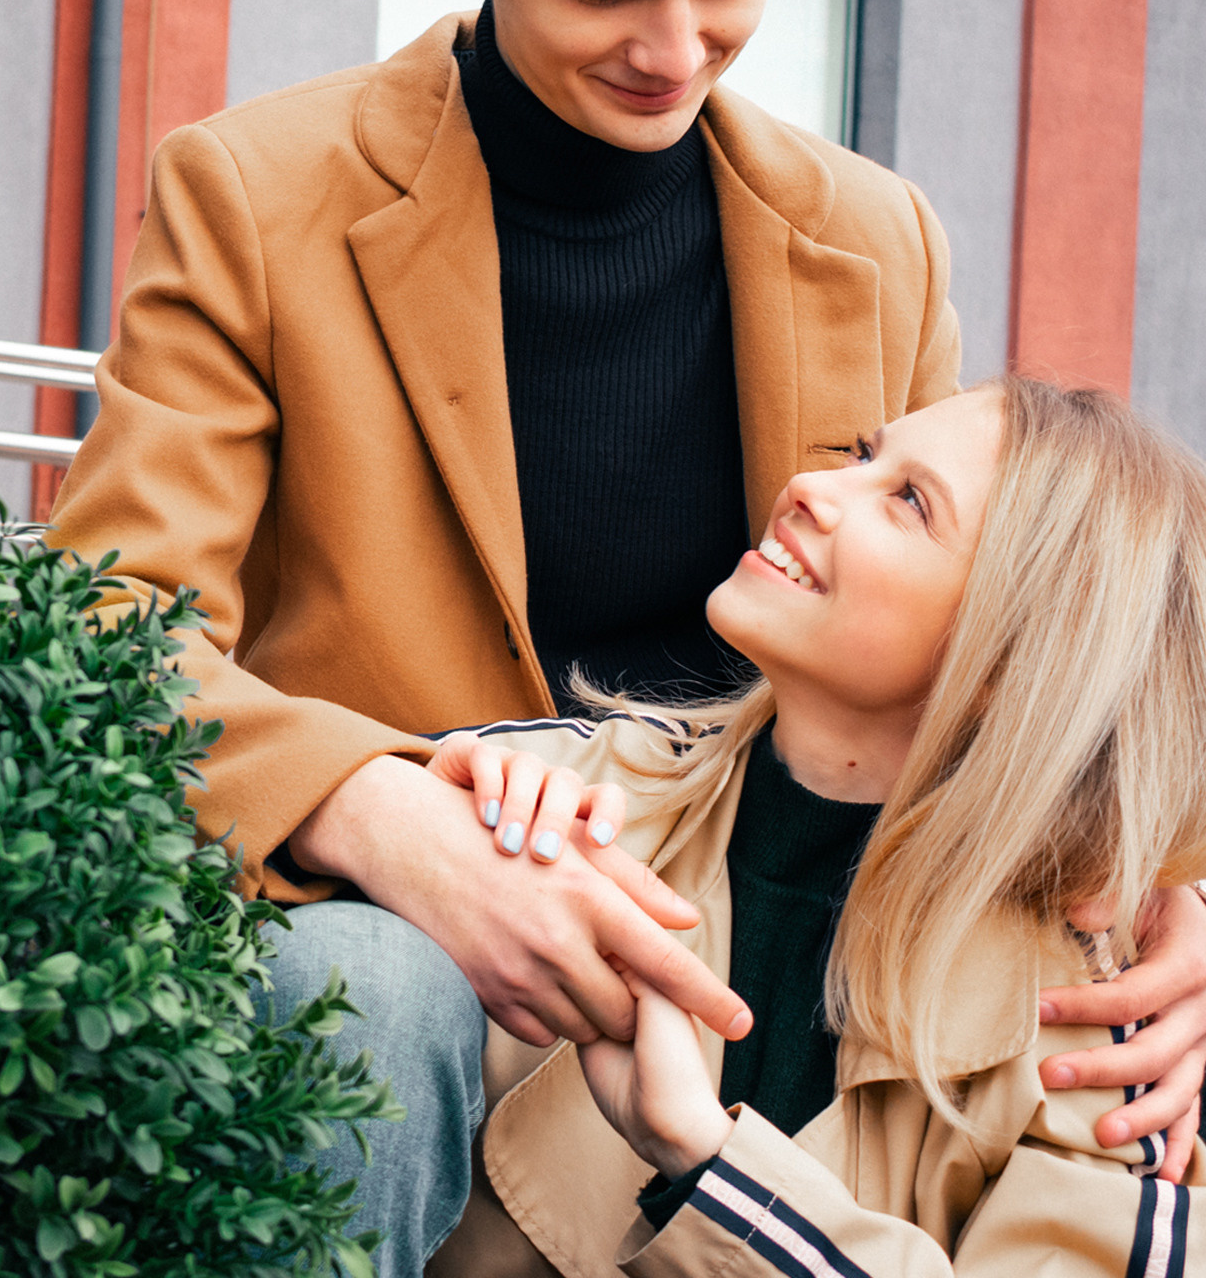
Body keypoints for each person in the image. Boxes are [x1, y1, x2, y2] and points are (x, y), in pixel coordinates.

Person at [41, 0, 1206, 1267]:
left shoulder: (877, 238)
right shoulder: (255, 196)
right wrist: (375, 816)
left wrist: (1180, 912)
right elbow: (103, 636)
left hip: (746, 923)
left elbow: (998, 615)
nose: (678, 50)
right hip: (392, 946)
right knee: (363, 1002)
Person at [414, 377, 1206, 1274]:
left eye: (909, 501)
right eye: (862, 457)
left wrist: (708, 1164)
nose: (807, 487)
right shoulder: (554, 790)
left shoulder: (1099, 1042)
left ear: (1015, 660)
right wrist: (412, 819)